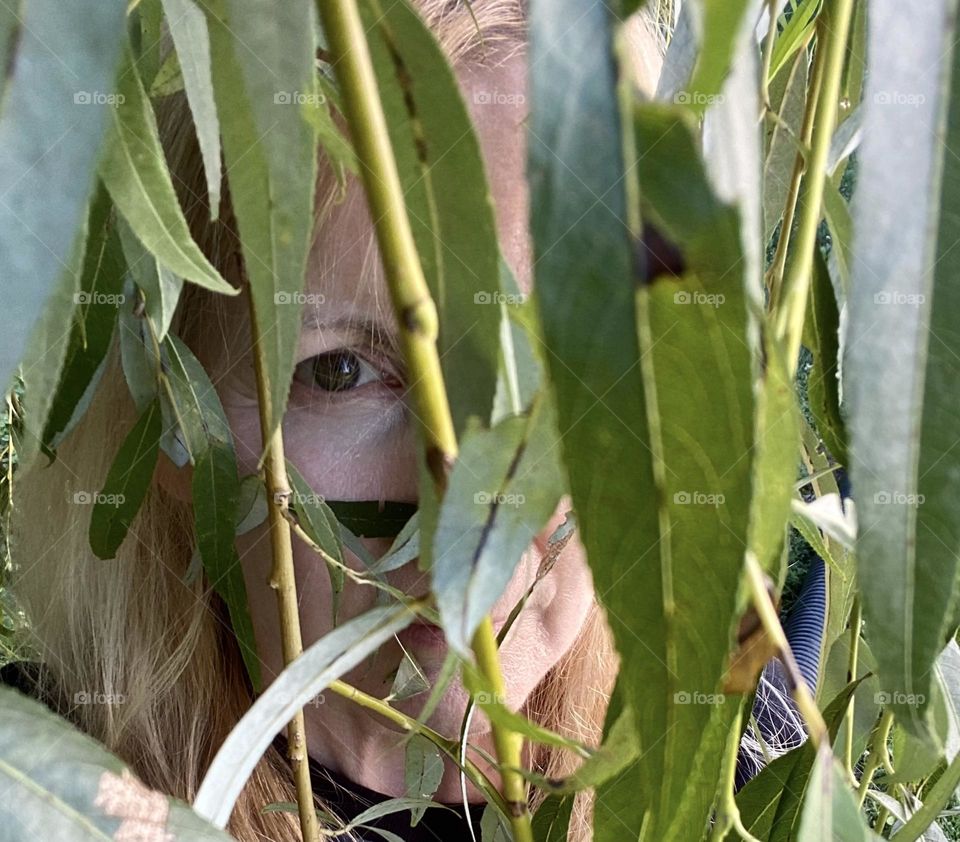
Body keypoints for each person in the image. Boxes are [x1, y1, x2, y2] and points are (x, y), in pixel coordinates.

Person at [3, 1, 823, 840]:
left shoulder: (732, 756)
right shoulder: (33, 792)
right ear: (176, 417)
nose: (474, 505)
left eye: (573, 368)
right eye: (341, 370)